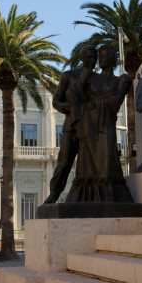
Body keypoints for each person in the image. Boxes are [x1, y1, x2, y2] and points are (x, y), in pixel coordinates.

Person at [65, 44, 135, 202]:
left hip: (106, 125)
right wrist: (81, 93)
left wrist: (94, 103)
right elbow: (71, 94)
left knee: (107, 161)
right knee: (87, 164)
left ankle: (109, 198)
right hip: (88, 124)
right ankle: (87, 198)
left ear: (112, 59)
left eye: (104, 56)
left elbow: (117, 101)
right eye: (100, 56)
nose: (100, 59)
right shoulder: (90, 76)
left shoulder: (121, 79)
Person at [43, 45, 97, 204]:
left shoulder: (99, 79)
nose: (92, 60)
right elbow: (56, 101)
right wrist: (71, 108)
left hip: (91, 127)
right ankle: (54, 193)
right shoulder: (69, 76)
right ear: (82, 58)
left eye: (94, 57)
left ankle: (91, 195)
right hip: (72, 125)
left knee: (92, 162)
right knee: (64, 160)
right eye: (89, 57)